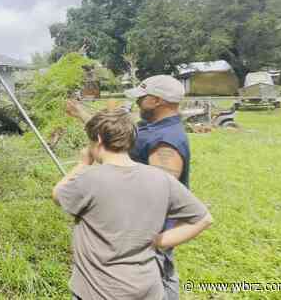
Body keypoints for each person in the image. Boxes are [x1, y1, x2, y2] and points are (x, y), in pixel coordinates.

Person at [52, 109, 213, 300]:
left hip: (97, 290)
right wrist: (159, 241)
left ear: (99, 140)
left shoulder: (89, 179)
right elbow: (203, 219)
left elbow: (57, 194)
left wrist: (83, 163)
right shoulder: (160, 178)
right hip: (146, 289)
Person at [67, 75, 191, 299]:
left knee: (160, 275)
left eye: (141, 98)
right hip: (136, 229)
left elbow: (158, 195)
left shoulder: (166, 140)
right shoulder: (152, 127)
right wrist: (80, 113)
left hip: (146, 231)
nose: (137, 102)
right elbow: (112, 133)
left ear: (156, 100)